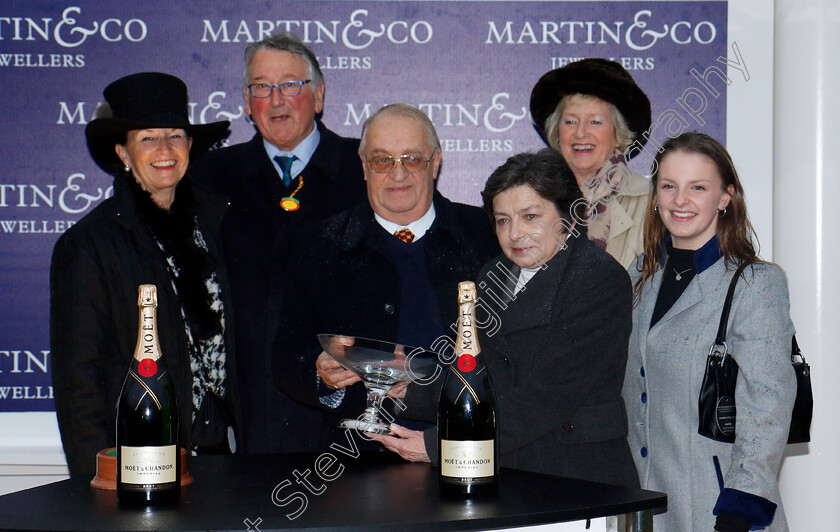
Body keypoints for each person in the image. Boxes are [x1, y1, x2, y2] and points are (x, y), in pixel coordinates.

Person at [372, 149, 639, 488]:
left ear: (570, 218)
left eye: (530, 217)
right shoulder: (492, 275)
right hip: (508, 471)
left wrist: (446, 447)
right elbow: (476, 375)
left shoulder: (597, 279)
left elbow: (544, 397)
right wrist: (405, 390)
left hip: (576, 477)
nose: (514, 234)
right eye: (502, 220)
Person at [51, 72, 241, 477]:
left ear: (190, 144)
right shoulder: (89, 245)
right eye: (148, 138)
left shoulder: (222, 225)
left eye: (174, 134)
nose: (165, 149)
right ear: (123, 152)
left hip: (226, 456)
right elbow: (78, 381)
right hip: (141, 461)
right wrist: (99, 478)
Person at [272, 103, 499, 441]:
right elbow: (286, 356)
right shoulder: (319, 244)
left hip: (467, 445)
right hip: (356, 461)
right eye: (382, 161)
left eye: (412, 159)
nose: (398, 174)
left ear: (435, 162)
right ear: (364, 167)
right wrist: (321, 373)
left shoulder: (487, 235)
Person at [191, 31, 367, 454]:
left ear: (318, 96)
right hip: (248, 409)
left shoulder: (366, 168)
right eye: (261, 87)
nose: (276, 100)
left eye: (290, 84)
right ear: (247, 103)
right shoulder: (210, 177)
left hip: (347, 404)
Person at [623, 132, 795, 531]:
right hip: (648, 508)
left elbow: (769, 405)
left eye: (697, 187)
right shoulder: (638, 277)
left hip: (720, 509)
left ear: (724, 197)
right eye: (669, 186)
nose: (679, 201)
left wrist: (740, 509)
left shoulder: (755, 283)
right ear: (655, 195)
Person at [530, 58, 652, 269]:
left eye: (595, 121)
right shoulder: (530, 198)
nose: (580, 133)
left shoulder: (651, 202)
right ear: (556, 133)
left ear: (618, 133)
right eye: (570, 121)